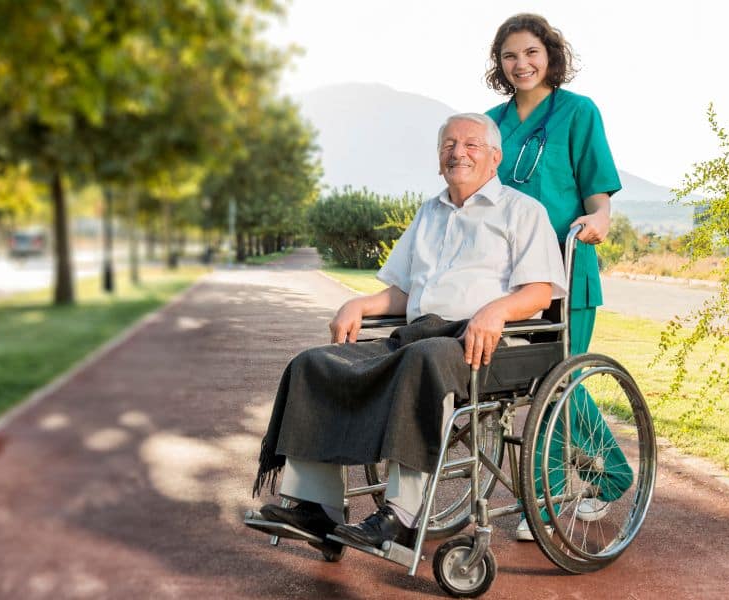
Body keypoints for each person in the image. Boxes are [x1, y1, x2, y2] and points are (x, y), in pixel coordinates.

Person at [253, 113, 567, 552]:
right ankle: (316, 508)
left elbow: (538, 291)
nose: (458, 152)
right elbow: (403, 291)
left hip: (487, 342)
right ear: (439, 159)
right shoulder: (430, 211)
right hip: (421, 334)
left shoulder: (521, 211)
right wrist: (360, 303)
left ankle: (401, 517)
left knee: (425, 359)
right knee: (314, 364)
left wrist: (496, 310)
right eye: (449, 145)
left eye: (471, 145)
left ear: (495, 158)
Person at [484, 13, 633, 541]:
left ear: (549, 56)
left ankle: (543, 502)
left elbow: (596, 190)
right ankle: (610, 473)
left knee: (557, 380)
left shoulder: (578, 112)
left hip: (567, 270)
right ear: (498, 64)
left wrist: (600, 220)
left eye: (530, 52)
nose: (520, 63)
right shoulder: (490, 123)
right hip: (506, 278)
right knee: (538, 381)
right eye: (509, 55)